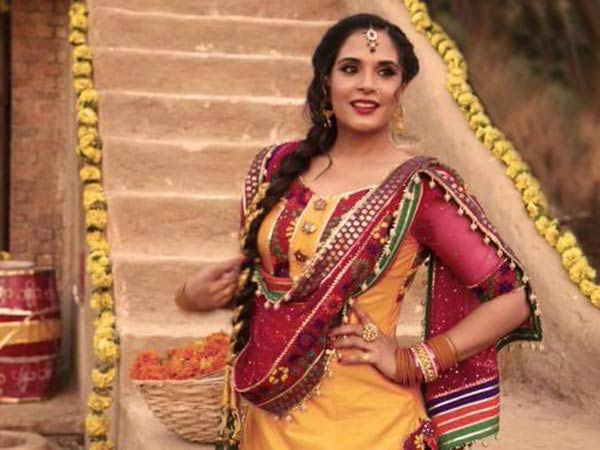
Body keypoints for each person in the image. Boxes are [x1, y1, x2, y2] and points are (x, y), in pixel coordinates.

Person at [175, 13, 542, 450]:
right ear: (326, 80)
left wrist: (413, 361)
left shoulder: (420, 187)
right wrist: (191, 296)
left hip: (373, 427)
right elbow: (270, 293)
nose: (368, 84)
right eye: (351, 69)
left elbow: (513, 298)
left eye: (385, 72)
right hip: (268, 426)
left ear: (400, 90)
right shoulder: (275, 169)